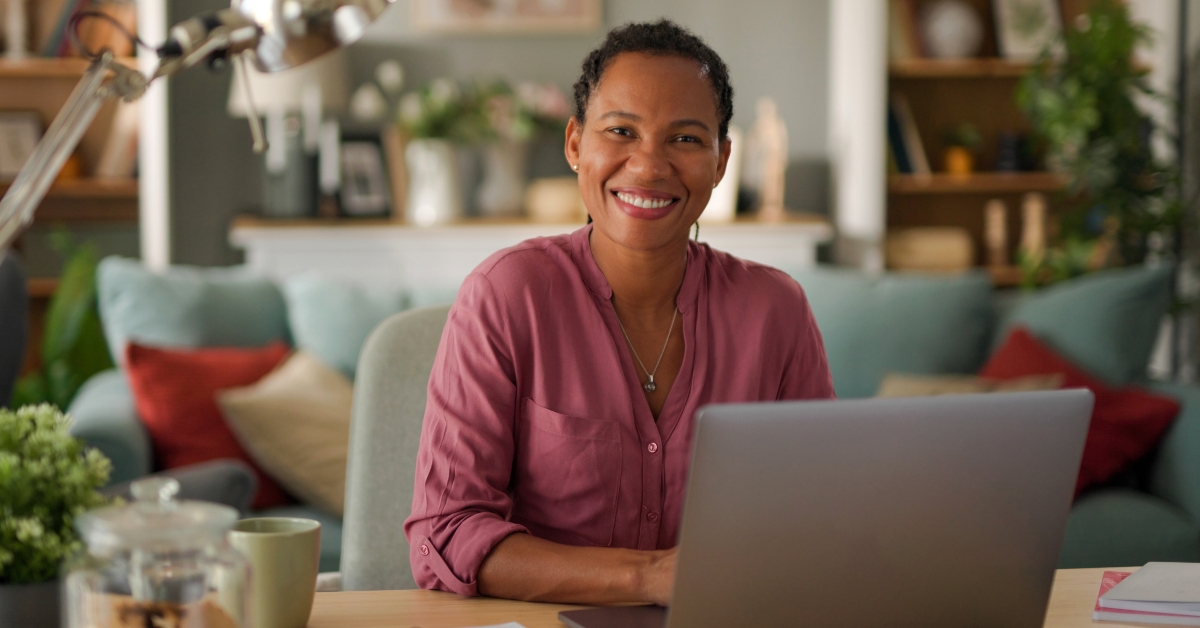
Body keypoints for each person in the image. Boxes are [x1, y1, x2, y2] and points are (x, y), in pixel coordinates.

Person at [404, 19, 835, 607]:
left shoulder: (776, 312)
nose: (649, 166)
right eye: (621, 131)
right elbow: (445, 533)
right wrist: (647, 577)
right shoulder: (505, 297)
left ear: (721, 160)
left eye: (684, 139)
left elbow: (819, 521)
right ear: (576, 143)